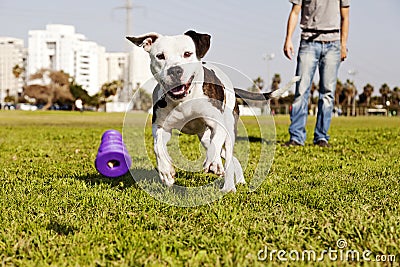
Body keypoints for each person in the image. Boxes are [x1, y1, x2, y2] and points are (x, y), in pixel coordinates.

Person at [283, 0, 350, 147]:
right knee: (301, 91)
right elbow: (295, 11)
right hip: (308, 41)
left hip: (333, 43)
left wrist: (343, 45)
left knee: (327, 93)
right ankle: (296, 137)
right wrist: (288, 39)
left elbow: (345, 16)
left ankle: (321, 137)